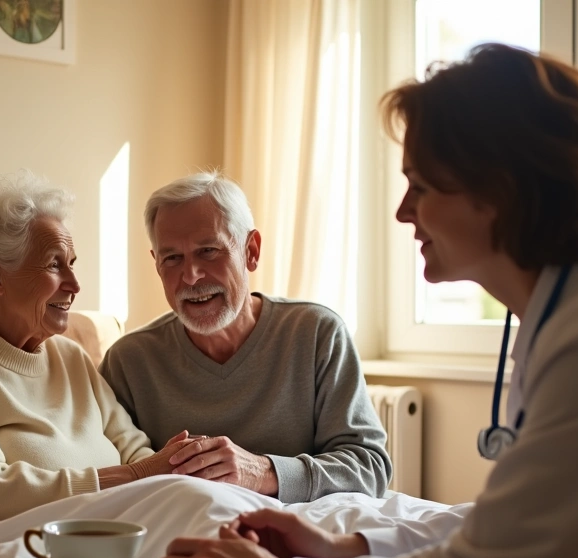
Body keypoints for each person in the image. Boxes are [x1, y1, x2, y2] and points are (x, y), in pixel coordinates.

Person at [154, 43, 578, 558]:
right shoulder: (572, 312)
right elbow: (510, 526)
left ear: (501, 189)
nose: (404, 212)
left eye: (421, 186)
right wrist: (345, 547)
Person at [0, 172, 197, 523]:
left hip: (99, 527)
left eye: (72, 264)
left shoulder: (70, 356)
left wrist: (176, 467)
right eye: (54, 264)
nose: (75, 284)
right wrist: (135, 477)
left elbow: (135, 451)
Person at [99, 171, 391, 503]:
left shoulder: (316, 334)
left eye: (208, 251)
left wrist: (263, 473)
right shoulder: (128, 361)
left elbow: (370, 467)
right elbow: (107, 477)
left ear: (251, 251)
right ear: (157, 265)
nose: (190, 276)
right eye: (173, 258)